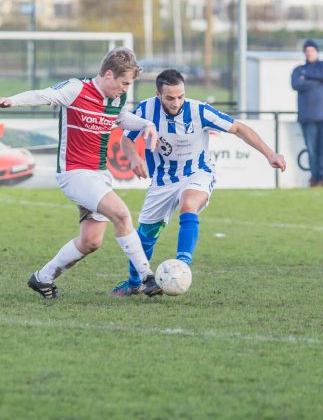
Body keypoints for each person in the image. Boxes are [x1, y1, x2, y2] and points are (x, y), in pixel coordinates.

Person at [0, 47, 161, 299]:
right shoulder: (76, 88)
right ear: (109, 74)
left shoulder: (116, 99)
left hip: (98, 175)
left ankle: (42, 278)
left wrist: (147, 124)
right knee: (122, 214)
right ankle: (147, 277)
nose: (125, 89)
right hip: (74, 174)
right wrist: (12, 100)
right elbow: (44, 94)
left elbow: (121, 118)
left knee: (91, 241)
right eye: (124, 83)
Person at [110, 69, 287, 296]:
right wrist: (134, 158)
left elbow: (239, 128)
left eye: (180, 96)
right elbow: (126, 139)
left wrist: (270, 154)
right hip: (162, 180)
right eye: (170, 98)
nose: (176, 102)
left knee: (188, 203)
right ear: (158, 94)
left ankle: (182, 265)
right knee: (145, 237)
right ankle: (134, 283)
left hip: (197, 172)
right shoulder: (145, 109)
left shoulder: (199, 110)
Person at [290, 39, 323, 187]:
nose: (309, 53)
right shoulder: (298, 69)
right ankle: (315, 177)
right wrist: (317, 79)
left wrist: (307, 76)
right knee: (311, 150)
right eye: (307, 51)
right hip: (307, 116)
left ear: (317, 51)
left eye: (312, 50)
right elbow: (296, 84)